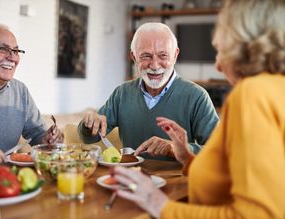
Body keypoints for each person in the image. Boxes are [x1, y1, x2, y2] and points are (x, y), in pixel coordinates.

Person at [112, 0, 285, 218]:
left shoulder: (252, 94)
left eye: (221, 49)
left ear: (244, 45)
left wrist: (157, 204)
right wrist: (186, 157)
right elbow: (232, 177)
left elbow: (258, 215)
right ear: (134, 57)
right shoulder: (275, 88)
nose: (218, 65)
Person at [78, 22, 219, 162]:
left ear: (175, 55)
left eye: (163, 55)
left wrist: (174, 148)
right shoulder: (122, 94)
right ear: (134, 57)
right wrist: (89, 124)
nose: (154, 65)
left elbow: (218, 151)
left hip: (176, 180)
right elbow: (90, 138)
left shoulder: (197, 97)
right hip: (130, 179)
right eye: (146, 56)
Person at [0, 23, 63, 170]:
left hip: (8, 181)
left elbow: (37, 134)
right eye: (3, 49)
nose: (12, 58)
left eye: (16, 51)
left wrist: (48, 140)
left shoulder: (20, 90)